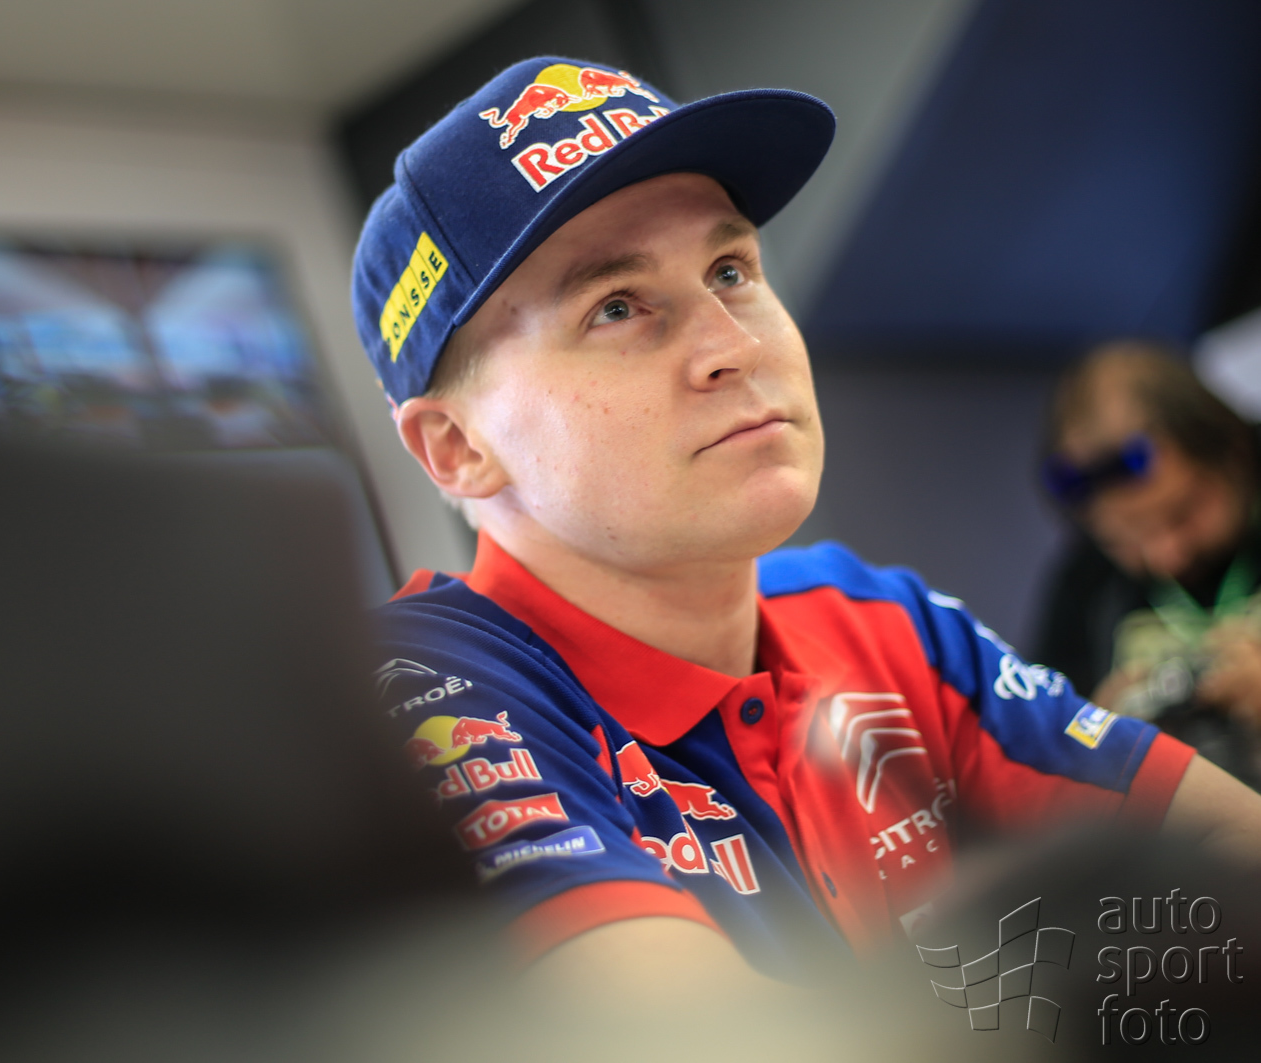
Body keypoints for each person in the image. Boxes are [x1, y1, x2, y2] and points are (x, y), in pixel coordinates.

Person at [350, 57, 1261, 993]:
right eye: (615, 307)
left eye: (730, 269)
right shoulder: (424, 695)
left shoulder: (880, 618)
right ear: (456, 446)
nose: (735, 344)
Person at [1035, 341, 1261, 783]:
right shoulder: (1088, 585)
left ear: (1235, 455)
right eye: (1127, 538)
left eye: (1183, 514)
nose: (1166, 556)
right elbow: (1041, 759)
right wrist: (1091, 741)